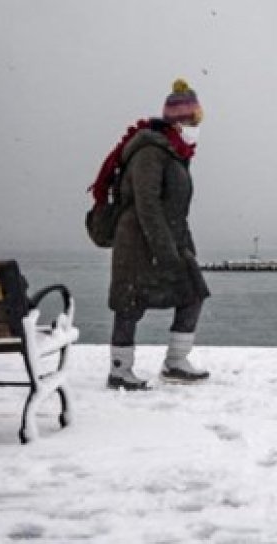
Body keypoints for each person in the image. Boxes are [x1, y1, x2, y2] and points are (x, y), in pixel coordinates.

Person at [101, 79, 211, 390]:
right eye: (194, 121)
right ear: (180, 121)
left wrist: (183, 245)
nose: (197, 127)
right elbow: (147, 204)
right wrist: (165, 251)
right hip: (138, 241)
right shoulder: (150, 151)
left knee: (192, 293)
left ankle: (176, 362)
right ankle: (120, 370)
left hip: (168, 237)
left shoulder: (175, 153)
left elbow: (175, 207)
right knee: (129, 303)